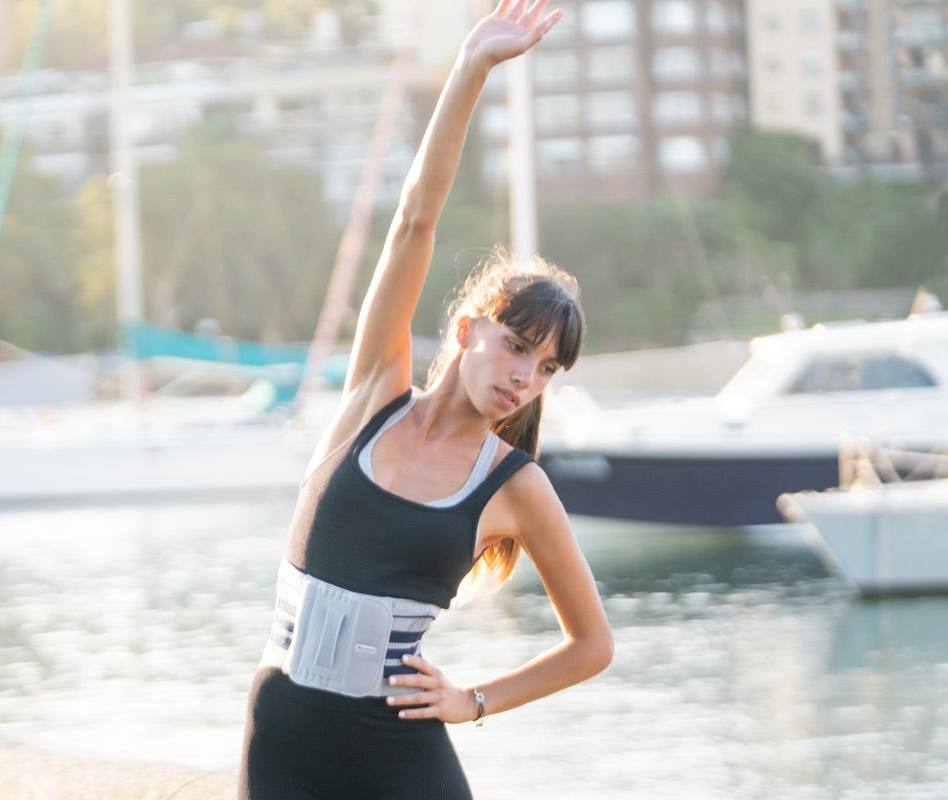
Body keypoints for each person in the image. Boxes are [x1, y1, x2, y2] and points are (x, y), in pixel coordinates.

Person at [239, 1, 611, 797]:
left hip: (399, 760)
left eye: (547, 368)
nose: (525, 377)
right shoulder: (375, 393)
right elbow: (414, 219)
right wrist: (470, 68)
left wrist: (472, 702)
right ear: (470, 328)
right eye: (517, 346)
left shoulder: (514, 486)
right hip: (282, 744)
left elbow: (592, 646)